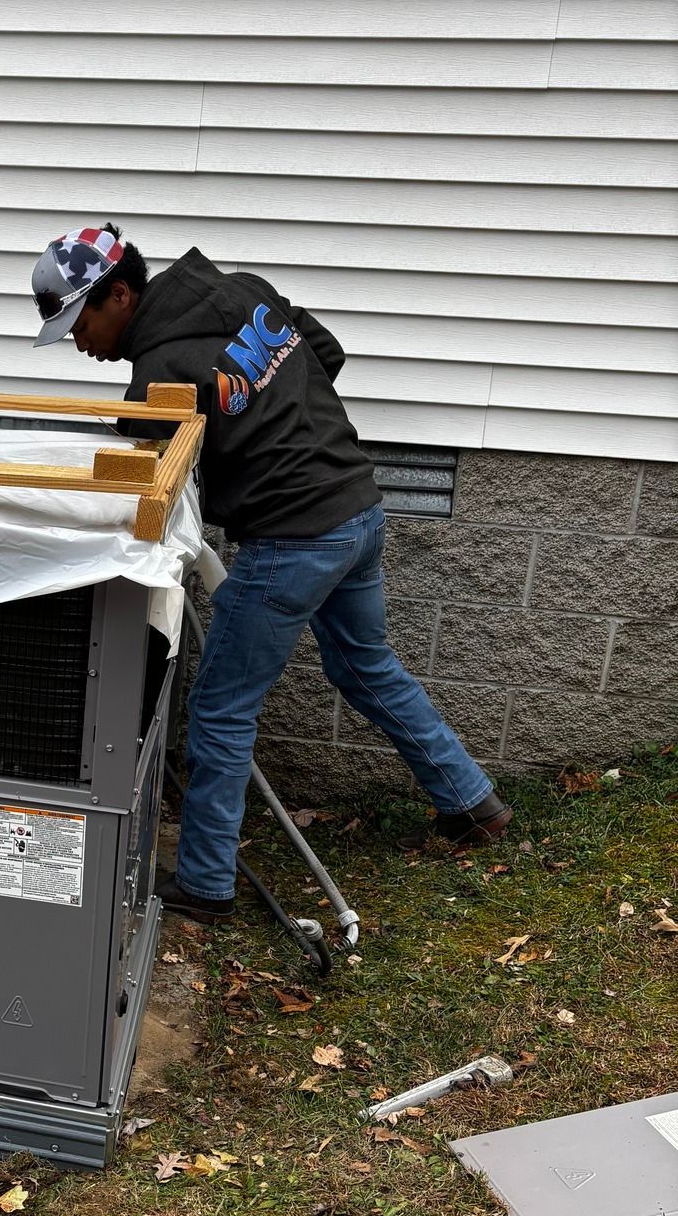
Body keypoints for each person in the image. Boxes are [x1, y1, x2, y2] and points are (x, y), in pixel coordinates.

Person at [28, 224, 512, 923]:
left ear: (120, 294)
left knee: (221, 710)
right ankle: (472, 804)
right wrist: (277, 421)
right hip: (357, 509)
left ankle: (204, 886)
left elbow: (151, 480)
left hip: (291, 539)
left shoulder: (160, 374)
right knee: (367, 667)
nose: (78, 342)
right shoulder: (242, 289)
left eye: (79, 322)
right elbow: (326, 353)